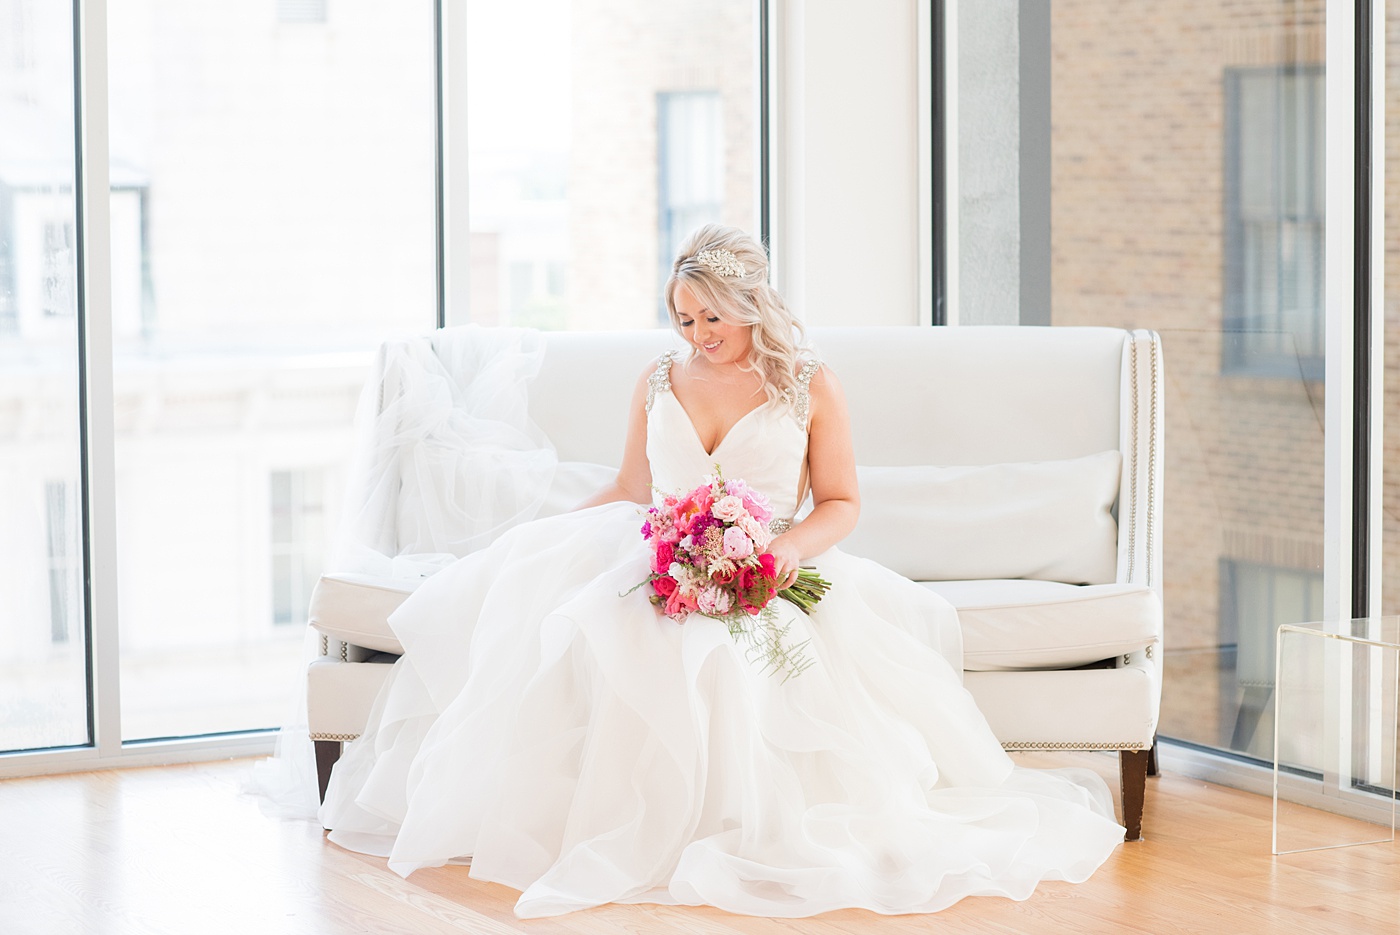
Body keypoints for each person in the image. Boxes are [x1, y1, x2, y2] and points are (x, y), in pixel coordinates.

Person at [318, 225, 1124, 918]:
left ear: (748, 303)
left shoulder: (811, 385)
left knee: (746, 666)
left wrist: (781, 553)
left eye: (709, 315)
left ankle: (742, 830)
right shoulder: (658, 378)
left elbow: (841, 501)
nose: (697, 332)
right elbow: (633, 490)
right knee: (602, 631)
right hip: (657, 558)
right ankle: (621, 826)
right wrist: (535, 537)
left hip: (771, 565)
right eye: (682, 316)